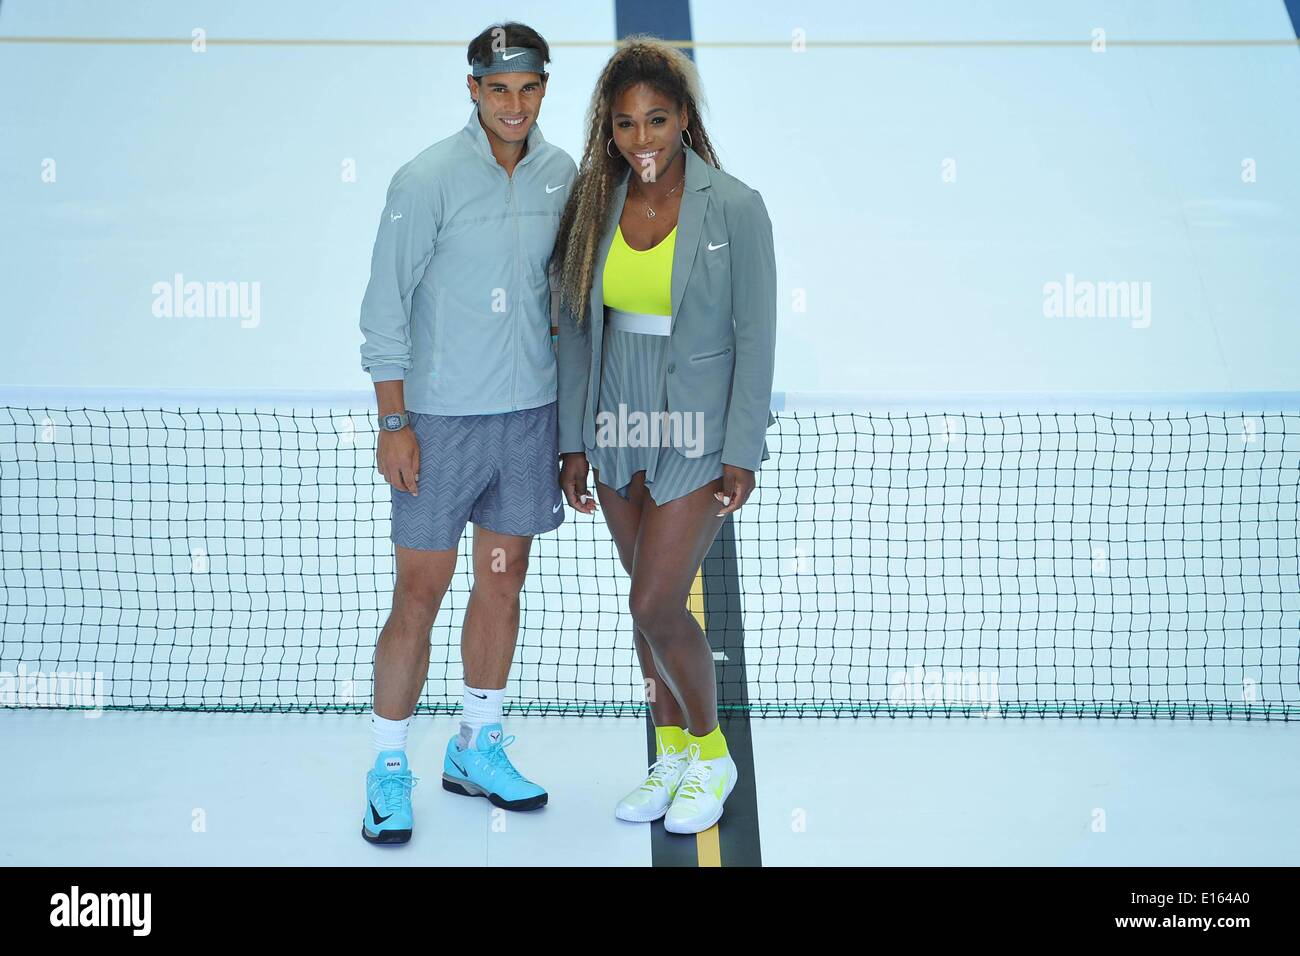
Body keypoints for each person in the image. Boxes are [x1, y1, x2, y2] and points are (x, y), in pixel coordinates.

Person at [356, 22, 576, 845]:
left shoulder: (564, 177)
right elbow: (384, 308)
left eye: (528, 88)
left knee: (501, 583)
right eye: (498, 89)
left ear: (543, 89)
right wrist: (394, 421)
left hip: (526, 423)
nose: (514, 105)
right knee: (419, 595)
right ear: (473, 89)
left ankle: (476, 748)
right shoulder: (427, 179)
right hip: (439, 426)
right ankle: (387, 767)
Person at [552, 37, 777, 834]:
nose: (641, 139)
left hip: (696, 425)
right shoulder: (594, 200)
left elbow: (757, 336)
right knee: (645, 608)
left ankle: (712, 754)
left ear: (684, 117)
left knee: (654, 601)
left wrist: (741, 449)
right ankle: (674, 748)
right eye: (624, 125)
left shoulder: (736, 207)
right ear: (607, 130)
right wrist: (574, 440)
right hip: (616, 415)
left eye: (656, 119)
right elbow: (576, 329)